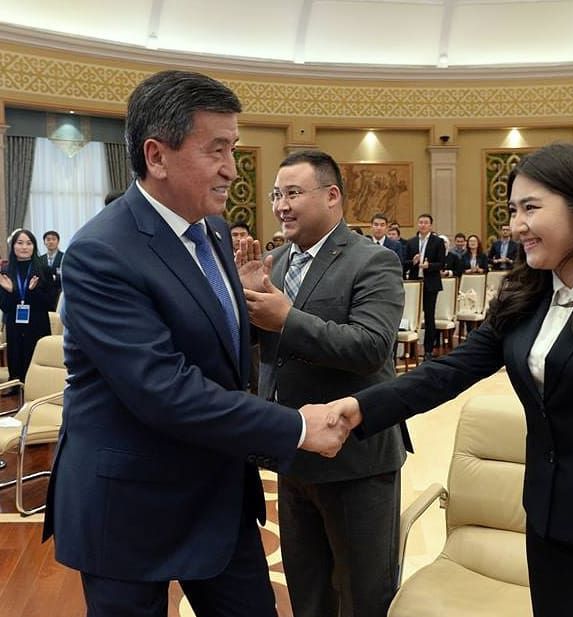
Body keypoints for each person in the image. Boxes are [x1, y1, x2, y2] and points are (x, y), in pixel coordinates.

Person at [322, 143, 573, 617]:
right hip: (547, 526)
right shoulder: (528, 296)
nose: (516, 225)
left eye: (531, 208)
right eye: (512, 210)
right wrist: (362, 408)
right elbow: (450, 370)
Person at [42, 70, 348, 617]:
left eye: (233, 148)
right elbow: (163, 388)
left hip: (218, 494)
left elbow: (213, 350)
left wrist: (253, 315)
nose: (233, 168)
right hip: (130, 505)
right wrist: (297, 427)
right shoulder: (100, 252)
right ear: (156, 156)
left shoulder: (212, 231)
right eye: (217, 150)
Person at [241, 150, 408, 617]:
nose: (281, 205)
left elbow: (371, 347)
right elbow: (260, 349)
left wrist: (286, 318)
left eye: (293, 193)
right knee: (308, 590)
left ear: (332, 195)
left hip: (357, 458)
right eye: (276, 194)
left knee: (363, 593)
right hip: (294, 452)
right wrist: (244, 305)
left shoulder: (373, 261)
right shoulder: (272, 262)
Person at [0, 229, 55, 390]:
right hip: (14, 321)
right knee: (15, 352)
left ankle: (35, 387)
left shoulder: (44, 269)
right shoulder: (6, 271)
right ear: (13, 246)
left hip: (37, 321)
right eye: (20, 243)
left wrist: (33, 291)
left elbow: (50, 303)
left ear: (34, 246)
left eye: (29, 243)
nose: (24, 247)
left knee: (35, 353)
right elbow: (5, 306)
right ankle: (15, 384)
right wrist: (11, 291)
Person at [405, 214, 445, 361]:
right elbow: (405, 263)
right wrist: (413, 262)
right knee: (412, 316)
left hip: (430, 283)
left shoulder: (437, 242)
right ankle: (411, 350)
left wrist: (429, 266)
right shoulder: (411, 242)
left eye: (426, 223)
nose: (422, 225)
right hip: (415, 283)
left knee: (429, 316)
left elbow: (441, 263)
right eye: (420, 222)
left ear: (430, 225)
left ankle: (428, 350)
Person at [42, 229, 64, 307]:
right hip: (44, 296)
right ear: (44, 242)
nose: (51, 242)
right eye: (48, 239)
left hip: (59, 293)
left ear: (58, 241)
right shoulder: (40, 259)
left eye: (54, 239)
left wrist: (55, 278)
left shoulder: (64, 257)